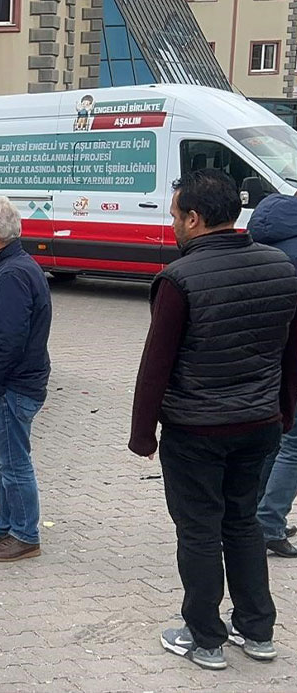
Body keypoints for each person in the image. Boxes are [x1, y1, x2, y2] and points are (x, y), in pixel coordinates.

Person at [128, 169, 297, 670]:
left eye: (176, 214)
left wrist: (142, 435)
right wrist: (284, 410)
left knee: (199, 532)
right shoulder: (281, 266)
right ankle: (257, 630)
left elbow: (155, 364)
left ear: (195, 218)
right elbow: (292, 352)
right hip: (261, 424)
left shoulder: (178, 279)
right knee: (243, 523)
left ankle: (204, 638)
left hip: (197, 430)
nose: (174, 223)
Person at [0, 196, 52, 562]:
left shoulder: (13, 273)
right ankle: (5, 523)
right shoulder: (8, 266)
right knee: (2, 454)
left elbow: (9, 339)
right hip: (11, 381)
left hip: (13, 384)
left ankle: (25, 533)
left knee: (13, 459)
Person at [247, 191, 297, 559]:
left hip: (265, 359)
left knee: (277, 439)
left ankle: (255, 516)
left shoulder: (260, 239)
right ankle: (268, 523)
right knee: (294, 446)